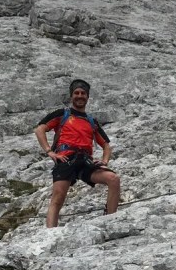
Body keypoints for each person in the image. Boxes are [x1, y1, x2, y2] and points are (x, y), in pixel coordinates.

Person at [34, 78, 121, 227]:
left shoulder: (91, 121)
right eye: (76, 93)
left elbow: (106, 145)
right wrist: (49, 151)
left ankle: (110, 221)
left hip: (85, 161)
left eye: (83, 93)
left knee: (113, 179)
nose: (80, 96)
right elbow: (40, 129)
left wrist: (105, 161)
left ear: (87, 97)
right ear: (71, 96)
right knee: (57, 198)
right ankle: (49, 234)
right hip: (65, 159)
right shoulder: (62, 114)